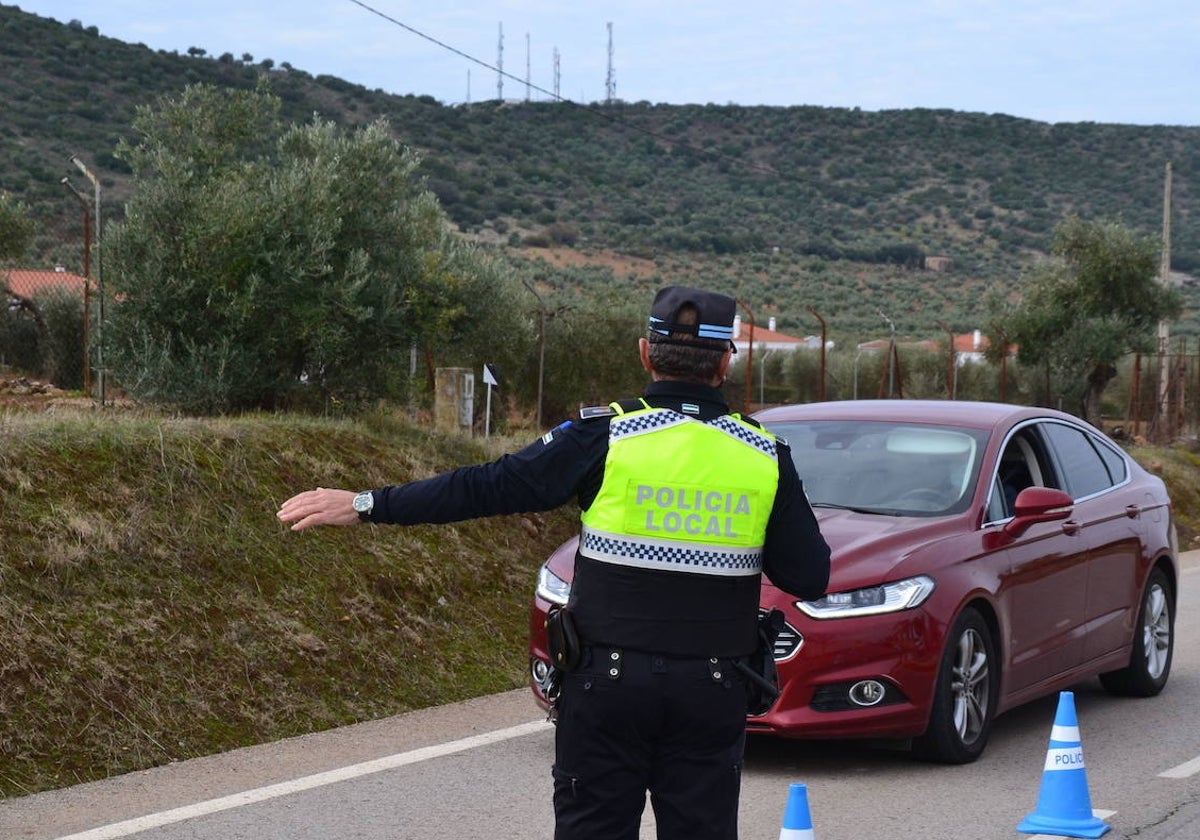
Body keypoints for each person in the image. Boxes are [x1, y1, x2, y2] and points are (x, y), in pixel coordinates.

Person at [277, 284, 831, 840]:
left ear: (645, 351)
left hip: (606, 686)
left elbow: (487, 487)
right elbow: (808, 575)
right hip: (711, 689)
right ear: (726, 361)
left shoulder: (607, 434)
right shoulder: (764, 454)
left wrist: (367, 503)